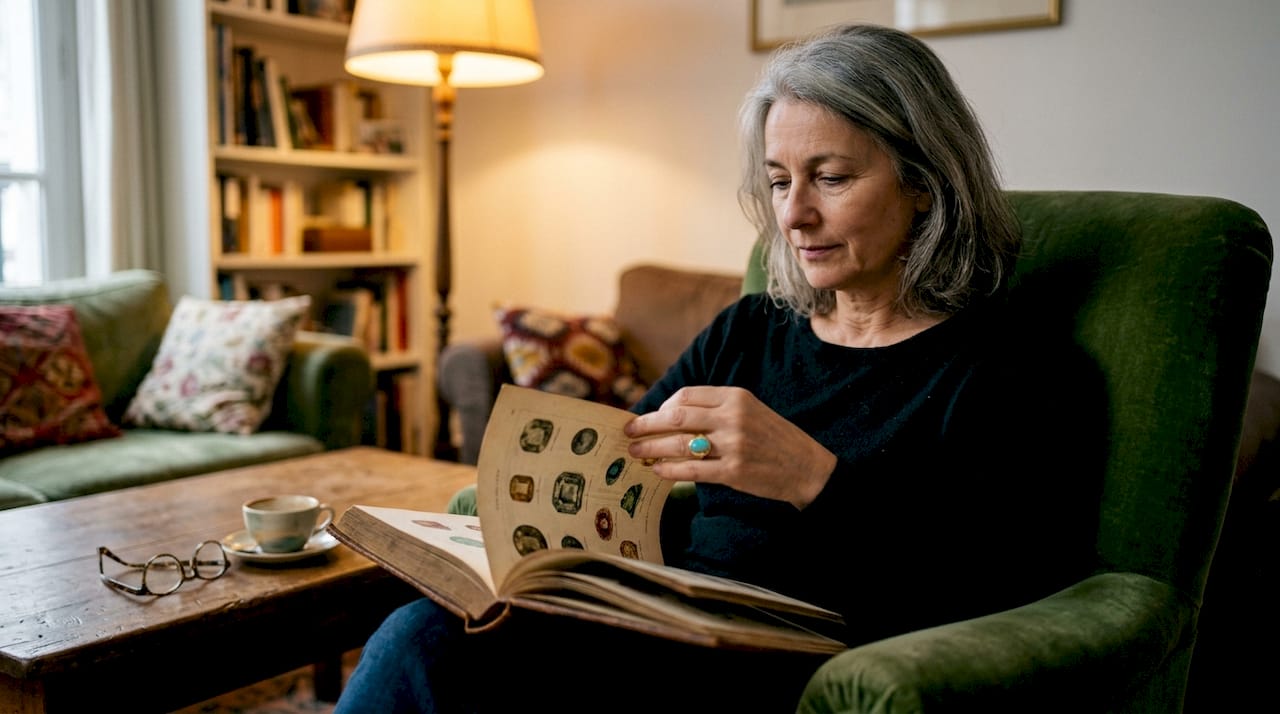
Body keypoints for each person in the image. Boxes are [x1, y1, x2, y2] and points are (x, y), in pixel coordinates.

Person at [335, 22, 1101, 713]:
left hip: (801, 670)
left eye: (830, 178)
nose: (793, 215)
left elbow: (1003, 593)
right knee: (424, 634)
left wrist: (814, 480)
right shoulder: (750, 331)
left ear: (925, 185)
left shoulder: (1014, 369)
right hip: (658, 633)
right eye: (778, 180)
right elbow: (629, 473)